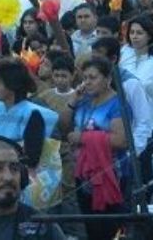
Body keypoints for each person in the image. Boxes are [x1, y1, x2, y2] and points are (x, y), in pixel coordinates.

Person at [61, 57, 129, 240]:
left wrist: (83, 138)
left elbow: (121, 140)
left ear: (107, 79)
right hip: (83, 173)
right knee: (91, 226)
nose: (87, 82)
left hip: (110, 174)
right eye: (85, 78)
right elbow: (64, 127)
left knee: (109, 228)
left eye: (93, 77)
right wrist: (73, 100)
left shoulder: (117, 104)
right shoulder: (84, 100)